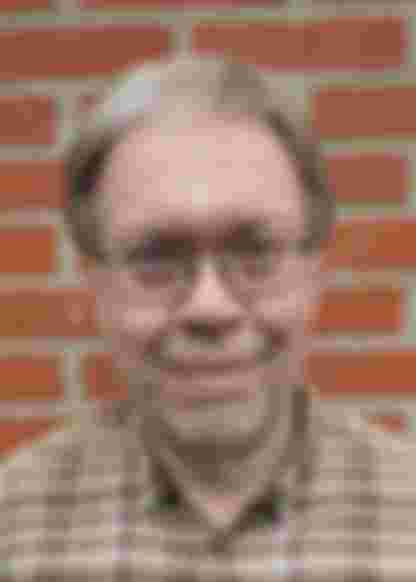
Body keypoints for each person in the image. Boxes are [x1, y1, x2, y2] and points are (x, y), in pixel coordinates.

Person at [1, 53, 415, 582]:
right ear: (95, 284)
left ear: (315, 271)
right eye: (156, 257)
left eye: (256, 252)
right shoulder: (14, 527)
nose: (209, 307)